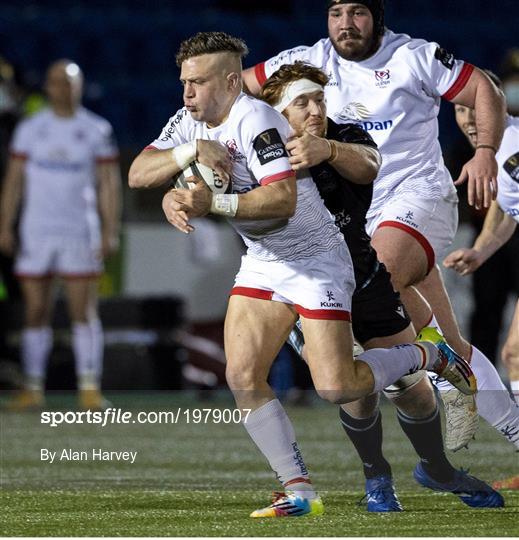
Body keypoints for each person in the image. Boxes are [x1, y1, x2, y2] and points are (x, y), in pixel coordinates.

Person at [129, 31, 476, 518]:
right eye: (184, 82)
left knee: (337, 387)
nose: (187, 93)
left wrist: (214, 202)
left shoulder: (258, 122)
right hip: (265, 260)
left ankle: (429, 354)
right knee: (242, 374)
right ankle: (298, 487)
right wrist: (186, 157)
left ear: (231, 82)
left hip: (318, 262)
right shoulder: (190, 119)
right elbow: (138, 172)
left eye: (198, 82)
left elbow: (282, 201)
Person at [242, 0, 514, 454]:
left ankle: (441, 376)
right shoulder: (305, 61)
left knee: (376, 272)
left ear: (377, 17)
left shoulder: (414, 56)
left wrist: (485, 149)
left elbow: (484, 88)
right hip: (358, 212)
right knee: (442, 333)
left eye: (357, 12)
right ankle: (478, 393)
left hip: (417, 196)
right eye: (335, 13)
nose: (346, 24)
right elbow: (237, 90)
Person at [260, 61, 504, 511]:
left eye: (320, 98)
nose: (315, 109)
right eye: (302, 102)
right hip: (306, 287)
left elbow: (368, 165)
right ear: (277, 113)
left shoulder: (347, 136)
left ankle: (437, 468)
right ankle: (377, 477)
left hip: (364, 278)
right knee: (353, 385)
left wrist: (326, 151)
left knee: (411, 389)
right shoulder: (260, 150)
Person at [0, 60, 121, 411]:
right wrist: (5, 224)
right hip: (37, 230)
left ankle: (88, 388)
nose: (62, 88)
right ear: (48, 87)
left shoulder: (96, 129)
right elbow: (14, 181)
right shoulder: (31, 129)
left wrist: (109, 230)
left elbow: (108, 184)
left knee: (82, 310)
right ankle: (33, 386)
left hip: (79, 231)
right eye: (55, 82)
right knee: (35, 309)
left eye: (69, 82)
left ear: (79, 86)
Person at [444, 72, 519, 489]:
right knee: (515, 354)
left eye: (476, 106)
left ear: (499, 105)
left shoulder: (510, 150)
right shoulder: (502, 153)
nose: (469, 118)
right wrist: (482, 251)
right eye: (459, 109)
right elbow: (508, 207)